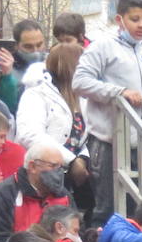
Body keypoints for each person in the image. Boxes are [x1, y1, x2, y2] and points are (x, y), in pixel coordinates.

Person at [74, 0, 142, 225]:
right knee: (109, 209)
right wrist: (119, 92)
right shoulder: (102, 46)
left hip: (141, 142)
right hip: (108, 139)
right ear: (119, 20)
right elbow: (80, 82)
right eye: (135, 19)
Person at [14, 42, 91, 196]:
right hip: (42, 174)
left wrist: (82, 158)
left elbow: (89, 135)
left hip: (73, 176)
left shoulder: (84, 98)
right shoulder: (35, 95)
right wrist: (71, 161)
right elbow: (30, 134)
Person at [0, 140, 75, 240]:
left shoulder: (64, 195)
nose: (58, 172)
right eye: (53, 166)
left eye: (61, 167)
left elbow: (76, 232)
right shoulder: (3, 194)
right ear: (33, 166)